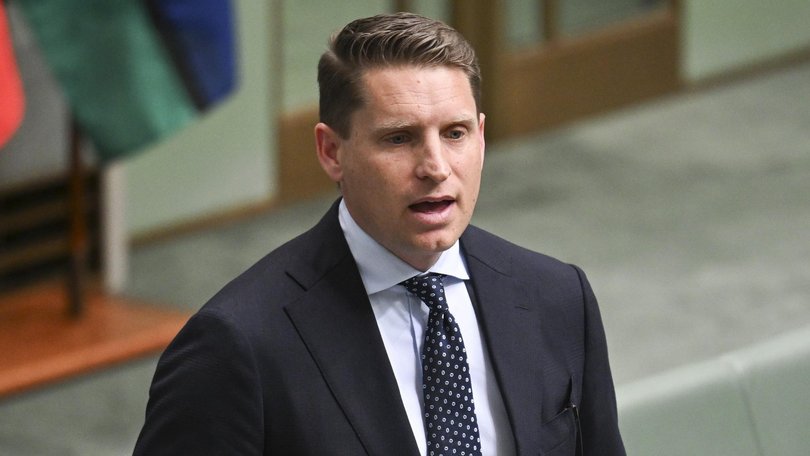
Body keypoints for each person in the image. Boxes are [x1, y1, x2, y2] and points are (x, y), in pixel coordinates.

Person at [134, 12, 625, 456]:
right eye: (399, 138)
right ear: (331, 152)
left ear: (479, 135)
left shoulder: (558, 296)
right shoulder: (237, 345)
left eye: (454, 133)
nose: (435, 167)